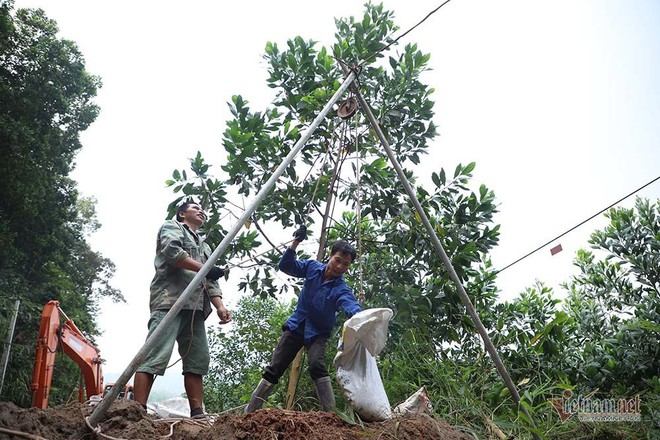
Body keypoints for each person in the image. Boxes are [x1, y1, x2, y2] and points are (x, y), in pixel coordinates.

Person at [245, 226, 361, 413]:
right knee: (275, 367)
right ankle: (250, 411)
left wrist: (359, 317)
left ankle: (330, 414)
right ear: (330, 256)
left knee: (316, 364)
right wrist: (295, 242)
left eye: (345, 264)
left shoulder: (341, 288)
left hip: (318, 333)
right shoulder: (312, 267)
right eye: (337, 260)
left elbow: (351, 306)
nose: (340, 267)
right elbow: (286, 266)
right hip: (296, 326)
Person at [134, 201, 231, 417]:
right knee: (155, 354)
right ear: (182, 214)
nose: (201, 211)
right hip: (170, 302)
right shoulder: (172, 227)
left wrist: (220, 306)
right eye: (195, 208)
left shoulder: (205, 247)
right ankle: (137, 410)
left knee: (197, 360)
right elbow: (172, 252)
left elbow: (211, 282)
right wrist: (206, 269)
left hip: (195, 309)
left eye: (202, 209)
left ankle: (197, 413)